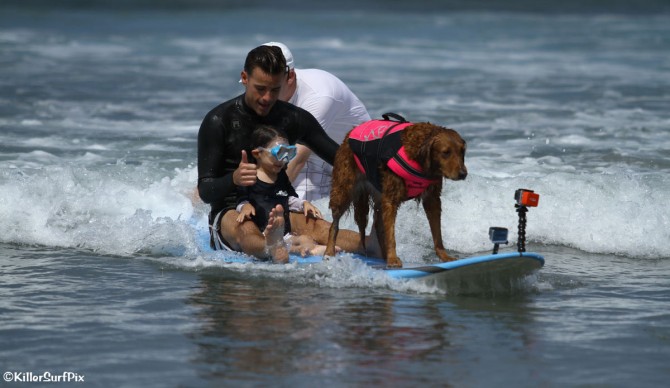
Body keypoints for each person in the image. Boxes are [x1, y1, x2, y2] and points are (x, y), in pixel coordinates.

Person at [197, 45, 361, 262]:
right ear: (244, 78)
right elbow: (206, 191)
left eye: (275, 90)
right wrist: (233, 179)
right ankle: (273, 246)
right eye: (260, 88)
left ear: (285, 81)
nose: (267, 97)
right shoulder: (219, 121)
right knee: (246, 229)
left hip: (278, 205)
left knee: (320, 227)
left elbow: (339, 159)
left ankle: (372, 245)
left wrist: (378, 176)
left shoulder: (292, 118)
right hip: (231, 210)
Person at [257, 42, 371, 202]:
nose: (262, 95)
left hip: (345, 162)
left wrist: (262, 199)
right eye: (259, 87)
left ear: (290, 77)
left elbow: (298, 159)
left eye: (272, 87)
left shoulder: (318, 96)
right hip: (303, 153)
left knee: (289, 207)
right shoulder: (274, 92)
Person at [235, 125, 337, 258]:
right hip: (263, 233)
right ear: (257, 153)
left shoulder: (281, 176)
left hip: (285, 233)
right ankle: (293, 249)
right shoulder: (250, 176)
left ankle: (310, 249)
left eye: (288, 153)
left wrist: (303, 204)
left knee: (305, 237)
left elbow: (289, 198)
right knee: (279, 244)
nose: (282, 159)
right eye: (278, 153)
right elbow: (239, 200)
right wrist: (244, 206)